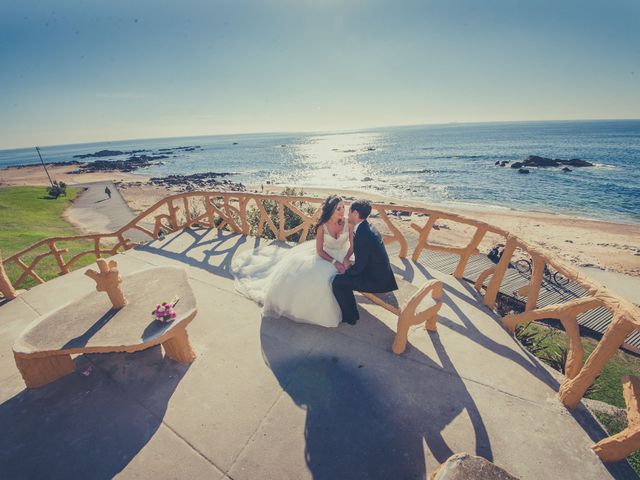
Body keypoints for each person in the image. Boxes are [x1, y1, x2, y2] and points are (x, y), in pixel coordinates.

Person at [232, 195, 353, 327]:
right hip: (326, 256)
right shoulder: (322, 227)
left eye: (343, 207)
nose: (342, 211)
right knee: (318, 277)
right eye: (338, 209)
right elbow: (320, 251)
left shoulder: (348, 223)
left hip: (343, 254)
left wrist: (346, 259)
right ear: (330, 211)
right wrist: (335, 263)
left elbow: (352, 245)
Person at [332, 199, 398, 324]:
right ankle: (350, 311)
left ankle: (351, 317)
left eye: (350, 211)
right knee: (343, 276)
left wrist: (347, 270)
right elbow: (363, 258)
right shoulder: (366, 227)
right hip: (380, 274)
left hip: (377, 281)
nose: (348, 214)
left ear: (356, 213)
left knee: (338, 282)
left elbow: (358, 268)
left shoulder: (364, 235)